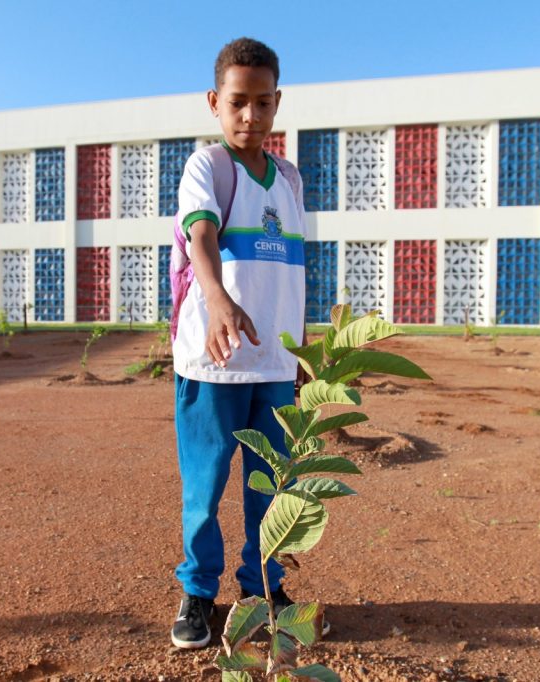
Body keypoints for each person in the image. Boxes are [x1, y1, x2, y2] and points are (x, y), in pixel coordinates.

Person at [170, 37, 309, 649]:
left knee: (273, 488)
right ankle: (198, 595)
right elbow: (200, 235)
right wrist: (220, 298)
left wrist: (301, 349)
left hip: (275, 365)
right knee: (205, 487)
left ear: (277, 102)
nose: (249, 116)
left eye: (261, 103)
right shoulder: (209, 166)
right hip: (214, 362)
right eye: (237, 103)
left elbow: (296, 269)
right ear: (214, 102)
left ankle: (263, 587)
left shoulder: (291, 179)